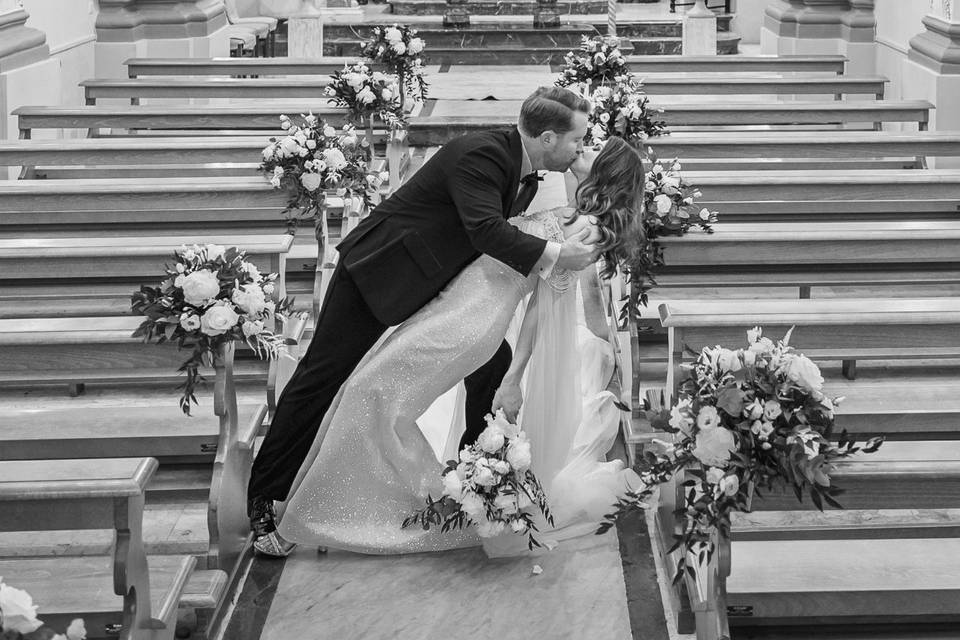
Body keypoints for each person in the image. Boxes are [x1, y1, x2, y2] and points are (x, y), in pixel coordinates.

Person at [248, 86, 599, 556]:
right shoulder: (483, 154)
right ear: (550, 137)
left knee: (493, 363)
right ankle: (265, 498)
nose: (582, 149)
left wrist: (590, 182)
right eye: (579, 140)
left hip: (428, 282)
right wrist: (558, 254)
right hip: (379, 273)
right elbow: (485, 229)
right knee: (322, 378)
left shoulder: (525, 172)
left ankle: (477, 486)